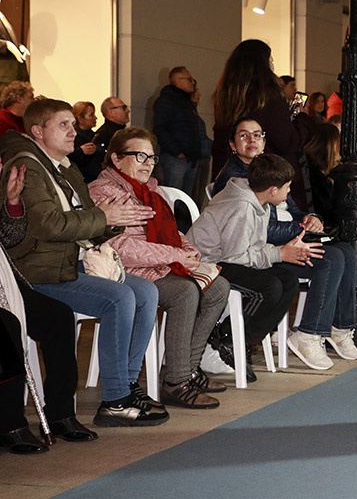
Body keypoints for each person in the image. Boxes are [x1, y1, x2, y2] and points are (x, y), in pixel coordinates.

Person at [0, 98, 166, 427]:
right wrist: (104, 217)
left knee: (146, 291)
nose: (73, 131)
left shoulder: (64, 166)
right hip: (41, 270)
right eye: (64, 125)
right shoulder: (28, 167)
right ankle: (115, 401)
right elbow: (48, 225)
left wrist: (113, 220)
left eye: (73, 124)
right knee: (120, 297)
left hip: (72, 261)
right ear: (38, 131)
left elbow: (89, 219)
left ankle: (127, 385)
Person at [89, 127, 230, 409]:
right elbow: (120, 247)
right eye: (140, 156)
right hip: (125, 271)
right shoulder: (104, 192)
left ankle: (188, 367)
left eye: (152, 157)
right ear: (116, 159)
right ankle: (176, 382)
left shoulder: (150, 189)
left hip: (158, 264)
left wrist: (187, 249)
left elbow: (171, 231)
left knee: (218, 287)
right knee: (184, 292)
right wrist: (174, 255)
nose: (148, 163)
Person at [188, 153, 357, 374]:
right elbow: (234, 257)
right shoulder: (242, 208)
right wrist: (280, 254)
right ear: (272, 190)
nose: (289, 192)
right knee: (270, 287)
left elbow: (254, 247)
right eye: (287, 187)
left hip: (232, 258)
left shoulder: (260, 201)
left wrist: (282, 253)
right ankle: (229, 336)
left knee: (288, 281)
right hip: (210, 263)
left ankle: (238, 339)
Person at [0, 155, 98, 452]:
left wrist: (12, 203)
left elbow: (9, 237)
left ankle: (60, 413)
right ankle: (9, 424)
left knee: (58, 316)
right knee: (7, 326)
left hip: (5, 284)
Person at [211, 39, 314, 211]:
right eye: (270, 60)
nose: (273, 65)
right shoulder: (268, 96)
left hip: (231, 176)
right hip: (267, 180)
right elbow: (287, 141)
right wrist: (302, 119)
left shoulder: (225, 96)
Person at [153, 66, 203, 196]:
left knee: (186, 198)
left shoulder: (186, 103)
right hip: (175, 158)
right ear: (178, 81)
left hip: (190, 157)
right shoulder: (166, 101)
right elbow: (159, 128)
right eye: (190, 79)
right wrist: (176, 151)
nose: (193, 83)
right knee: (173, 196)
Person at [69, 101, 102, 182]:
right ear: (80, 118)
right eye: (91, 115)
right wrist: (80, 151)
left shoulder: (96, 135)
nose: (95, 118)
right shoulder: (71, 137)